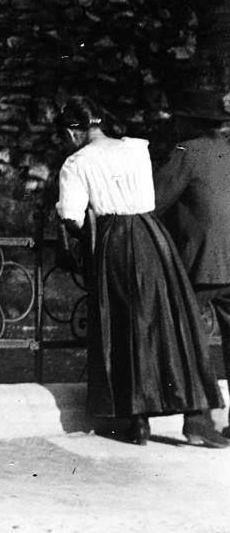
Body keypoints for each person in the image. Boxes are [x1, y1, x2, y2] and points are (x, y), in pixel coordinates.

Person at [52, 96, 227, 447]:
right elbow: (149, 200)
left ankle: (144, 420)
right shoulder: (136, 149)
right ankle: (198, 421)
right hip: (155, 240)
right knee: (169, 328)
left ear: (74, 132)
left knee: (138, 328)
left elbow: (75, 213)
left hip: (134, 243)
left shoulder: (78, 162)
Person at [155, 89, 230, 439]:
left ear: (191, 122)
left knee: (192, 339)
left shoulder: (186, 151)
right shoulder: (226, 151)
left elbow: (154, 201)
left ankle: (200, 422)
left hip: (202, 264)